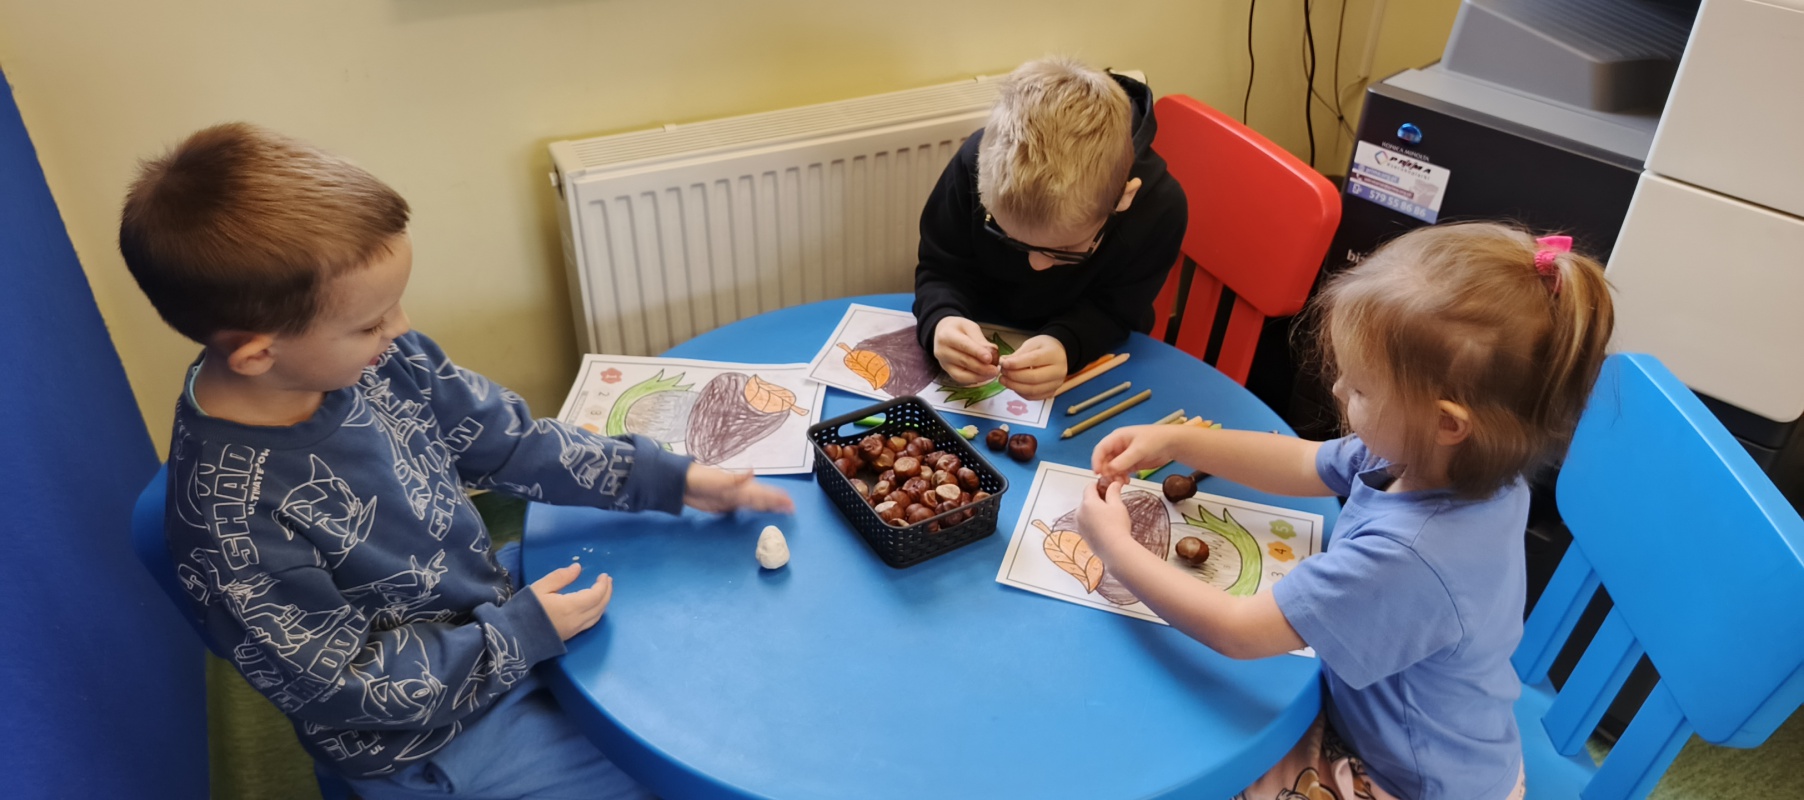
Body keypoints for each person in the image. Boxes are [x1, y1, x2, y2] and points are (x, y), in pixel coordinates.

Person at [119, 122, 793, 799]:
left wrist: (664, 478)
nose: (402, 328)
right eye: (371, 322)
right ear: (258, 355)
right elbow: (344, 686)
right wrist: (518, 634)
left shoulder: (379, 359)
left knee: (712, 664)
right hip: (431, 739)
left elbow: (508, 441)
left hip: (493, 614)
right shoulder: (229, 524)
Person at [1078, 222, 1615, 799]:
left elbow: (1236, 632)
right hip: (1434, 742)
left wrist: (1116, 548)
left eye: (1360, 388)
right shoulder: (1449, 460)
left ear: (1446, 421)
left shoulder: (1407, 557)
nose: (1337, 391)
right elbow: (1305, 462)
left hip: (1401, 782)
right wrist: (1179, 441)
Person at [913, 56, 1187, 399]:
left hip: (1089, 361)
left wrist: (1068, 343)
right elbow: (942, 267)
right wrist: (942, 317)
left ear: (1123, 199)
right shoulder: (976, 162)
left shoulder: (1160, 208)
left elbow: (1117, 310)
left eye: (1066, 250)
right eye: (1007, 237)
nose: (1037, 265)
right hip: (979, 332)